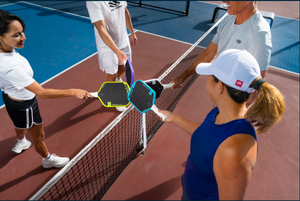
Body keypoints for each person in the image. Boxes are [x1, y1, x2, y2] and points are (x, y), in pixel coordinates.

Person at [159, 49, 285, 200]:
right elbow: (207, 134)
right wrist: (173, 118)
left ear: (220, 87)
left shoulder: (234, 150)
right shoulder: (218, 113)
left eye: (211, 77)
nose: (207, 81)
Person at [0, 10, 92, 169]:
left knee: (20, 123)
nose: (24, 38)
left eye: (22, 32)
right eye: (16, 35)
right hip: (25, 104)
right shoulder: (9, 67)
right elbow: (42, 92)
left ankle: (21, 142)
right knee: (39, 136)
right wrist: (73, 91)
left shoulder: (5, 51)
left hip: (10, 97)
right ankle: (48, 160)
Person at [171, 1, 272, 89]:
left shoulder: (259, 33)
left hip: (235, 97)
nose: (224, 1)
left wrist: (236, 110)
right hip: (220, 90)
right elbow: (209, 53)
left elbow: (259, 80)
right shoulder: (228, 19)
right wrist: (182, 77)